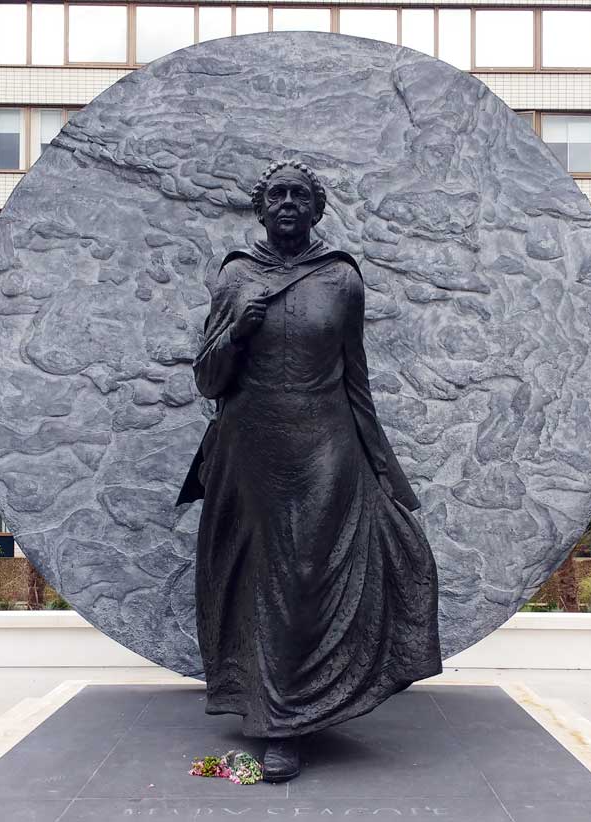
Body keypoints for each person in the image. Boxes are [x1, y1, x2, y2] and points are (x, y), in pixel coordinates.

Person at [177, 160, 442, 782]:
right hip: (250, 451)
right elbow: (207, 379)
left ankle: (305, 709)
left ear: (318, 208)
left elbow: (357, 379)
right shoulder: (236, 275)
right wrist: (237, 333)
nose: (289, 203)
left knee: (308, 577)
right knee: (259, 580)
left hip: (327, 446)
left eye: (301, 195)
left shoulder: (341, 277)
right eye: (278, 194)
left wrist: (385, 468)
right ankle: (276, 724)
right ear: (261, 208)